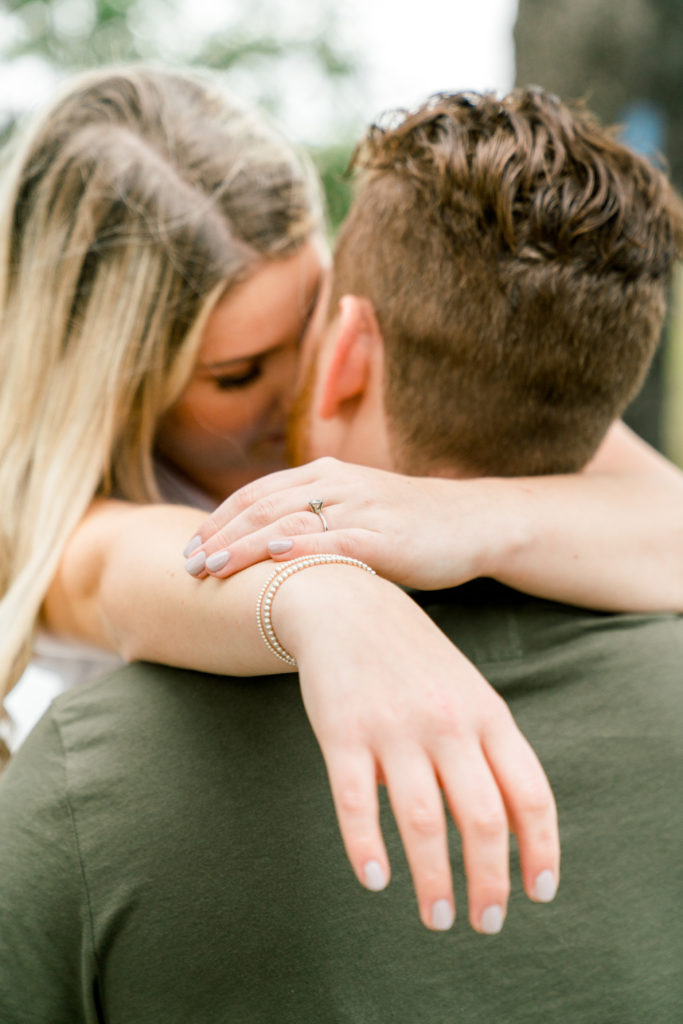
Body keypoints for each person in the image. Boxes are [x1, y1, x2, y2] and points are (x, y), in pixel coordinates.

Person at [1, 84, 681, 1023]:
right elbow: (115, 570)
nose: (305, 387)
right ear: (111, 380)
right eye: (237, 374)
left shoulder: (371, 386)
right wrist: (327, 597)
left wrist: (465, 514)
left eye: (315, 319)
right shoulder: (58, 517)